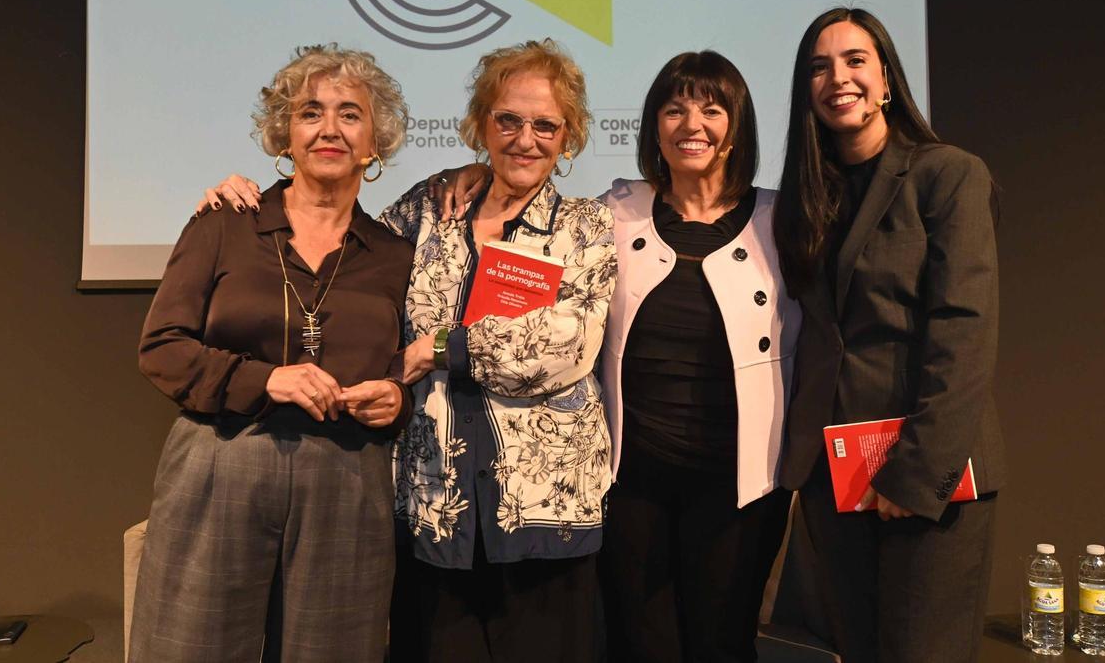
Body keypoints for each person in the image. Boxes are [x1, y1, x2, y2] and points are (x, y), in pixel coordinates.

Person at [203, 39, 618, 663]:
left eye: (545, 125)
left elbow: (565, 344)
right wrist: (252, 193)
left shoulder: (586, 226)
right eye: (507, 119)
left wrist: (441, 349)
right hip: (433, 506)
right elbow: (342, 257)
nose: (524, 138)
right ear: (481, 125)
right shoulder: (428, 209)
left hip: (546, 511)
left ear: (570, 136)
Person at [431, 50, 801, 662]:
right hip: (633, 481)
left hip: (737, 484)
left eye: (712, 110)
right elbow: (526, 194)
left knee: (724, 645)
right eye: (674, 109)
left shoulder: (781, 220)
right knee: (639, 644)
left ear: (738, 127)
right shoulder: (613, 212)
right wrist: (471, 172)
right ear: (653, 124)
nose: (692, 125)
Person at [130, 44, 415, 663]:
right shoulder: (224, 222)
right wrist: (264, 380)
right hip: (222, 459)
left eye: (350, 113)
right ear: (286, 135)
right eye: (311, 112)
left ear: (375, 142)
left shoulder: (395, 253)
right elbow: (162, 348)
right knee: (191, 648)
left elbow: (405, 367)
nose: (330, 128)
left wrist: (397, 397)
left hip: (346, 476)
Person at [772, 8, 1006, 663]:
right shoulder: (803, 197)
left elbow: (964, 329)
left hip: (926, 475)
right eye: (818, 67)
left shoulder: (947, 174)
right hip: (837, 480)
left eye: (854, 61)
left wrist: (914, 474)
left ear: (885, 80)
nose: (836, 77)